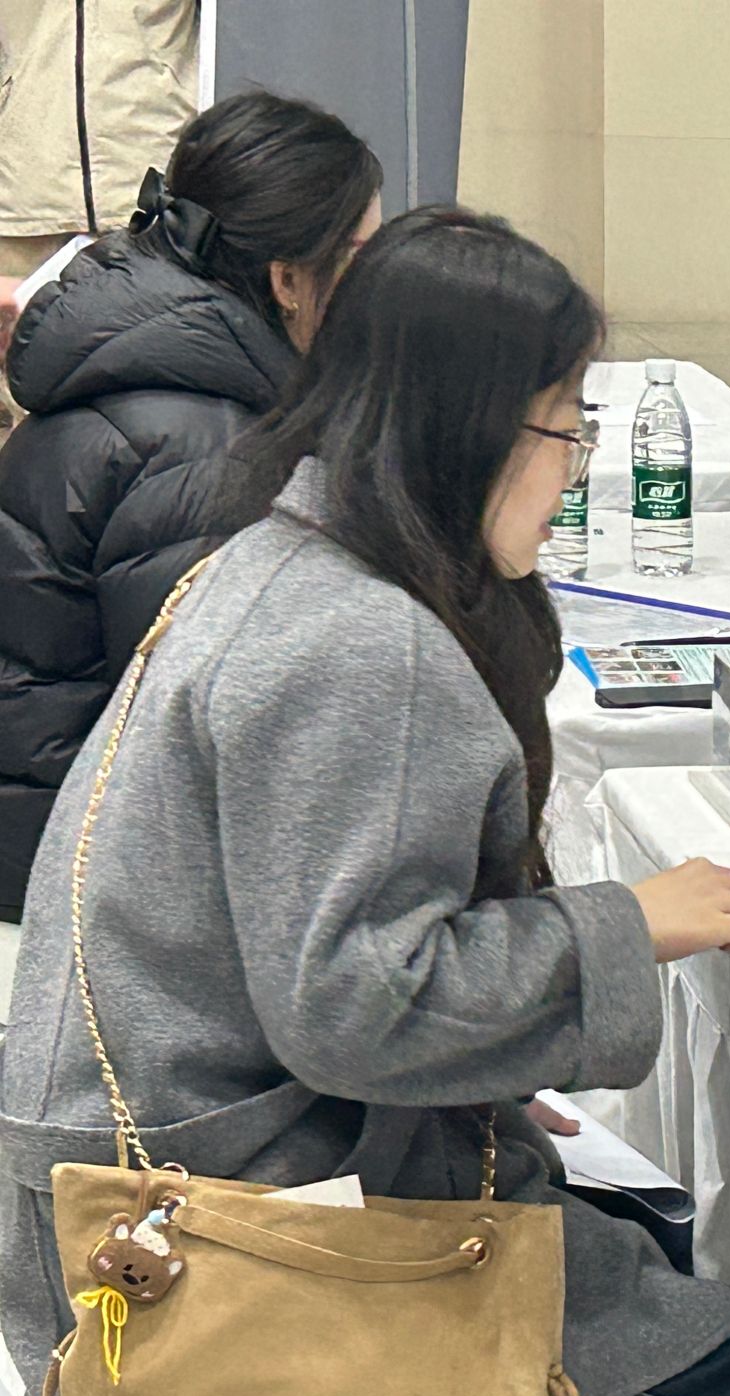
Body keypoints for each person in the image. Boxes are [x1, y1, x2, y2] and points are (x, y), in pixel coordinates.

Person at [0, 208, 730, 1396]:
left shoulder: (280, 557)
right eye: (564, 428)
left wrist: (483, 1072)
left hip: (163, 1179)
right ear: (471, 428)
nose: (572, 469)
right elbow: (360, 1006)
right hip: (232, 1237)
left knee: (668, 1250)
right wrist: (622, 926)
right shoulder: (364, 641)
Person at [0, 90, 384, 924]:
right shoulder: (205, 447)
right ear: (287, 279)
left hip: (58, 832)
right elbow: (212, 728)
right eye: (362, 254)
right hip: (87, 883)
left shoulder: (153, 366)